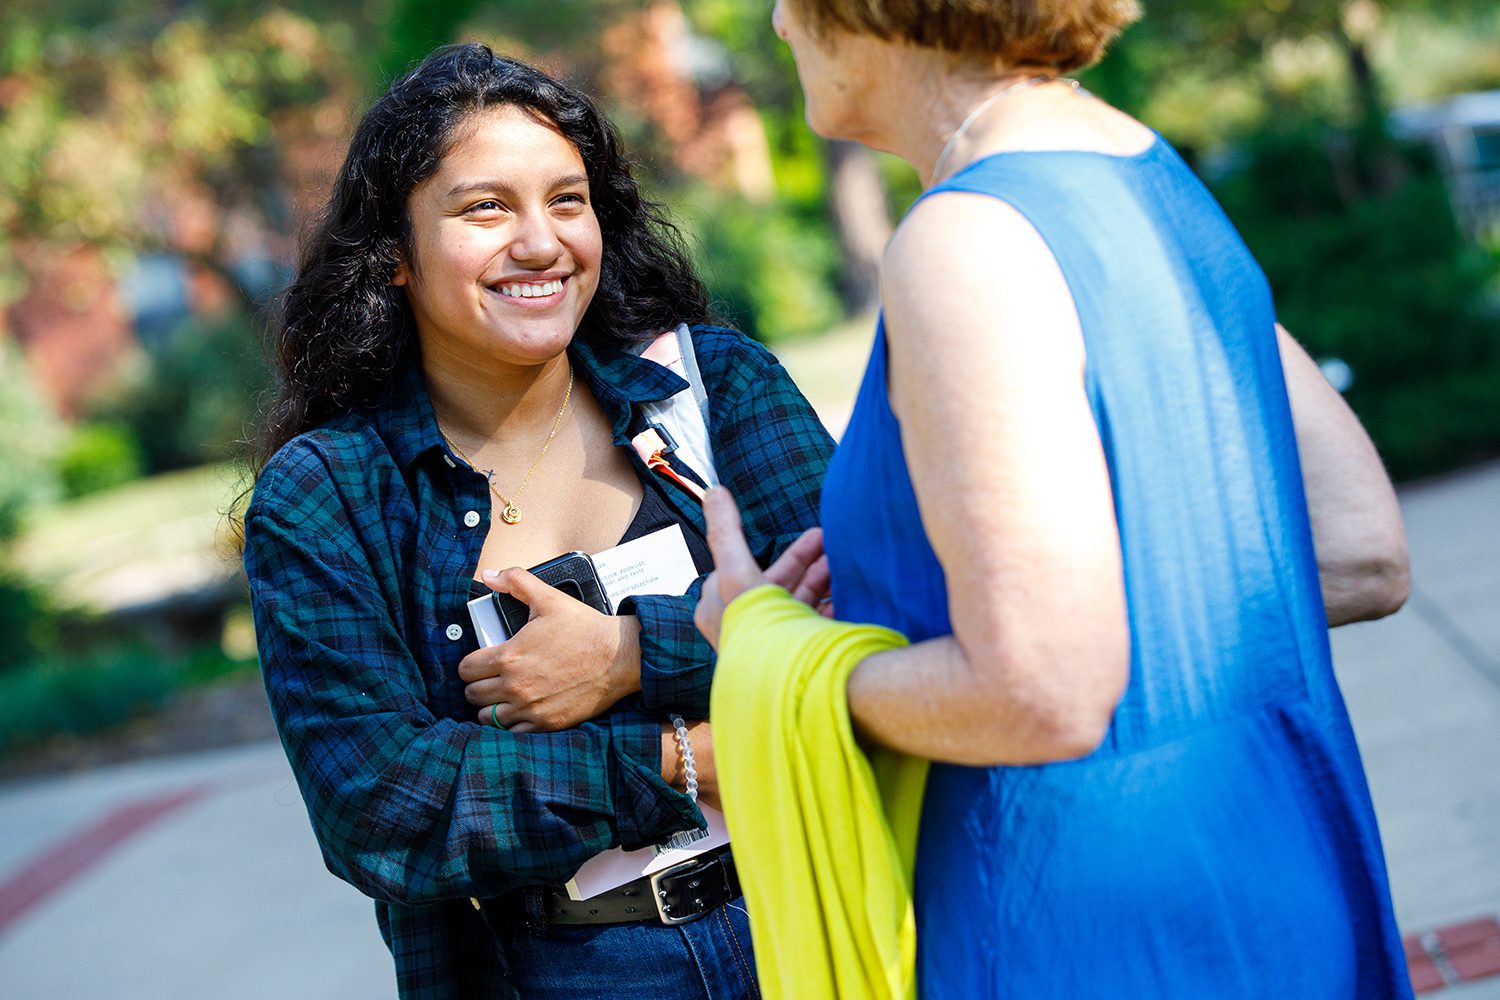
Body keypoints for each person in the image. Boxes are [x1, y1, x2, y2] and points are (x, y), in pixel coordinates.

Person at [696, 1, 1415, 997]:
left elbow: (1043, 687)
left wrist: (769, 655)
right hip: (1279, 874)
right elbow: (1358, 547)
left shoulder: (963, 240)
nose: (777, 25)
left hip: (1084, 928)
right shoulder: (1146, 170)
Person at [242, 44, 833, 999]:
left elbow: (865, 629)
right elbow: (386, 804)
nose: (541, 243)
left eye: (567, 200)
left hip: (811, 915)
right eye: (486, 208)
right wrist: (684, 759)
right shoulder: (330, 496)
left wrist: (636, 657)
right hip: (559, 972)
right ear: (393, 253)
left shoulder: (716, 388)